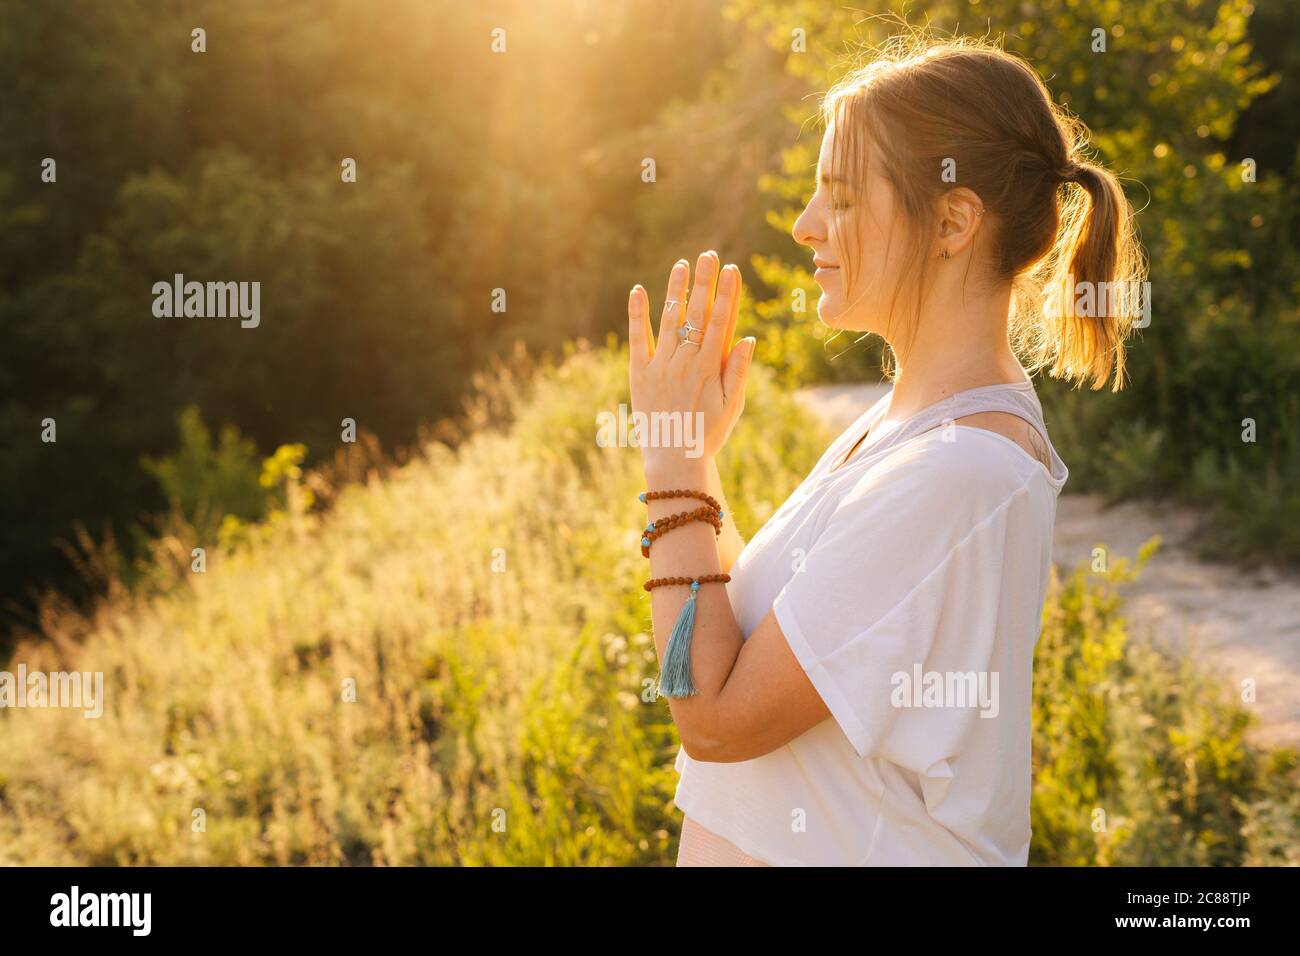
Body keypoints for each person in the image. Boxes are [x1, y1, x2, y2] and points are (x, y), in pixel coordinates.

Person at [626, 36, 1145, 866]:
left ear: (952, 220)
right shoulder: (913, 432)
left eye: (839, 197)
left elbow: (715, 720)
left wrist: (673, 466)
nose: (805, 226)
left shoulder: (954, 472)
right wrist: (696, 464)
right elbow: (736, 645)